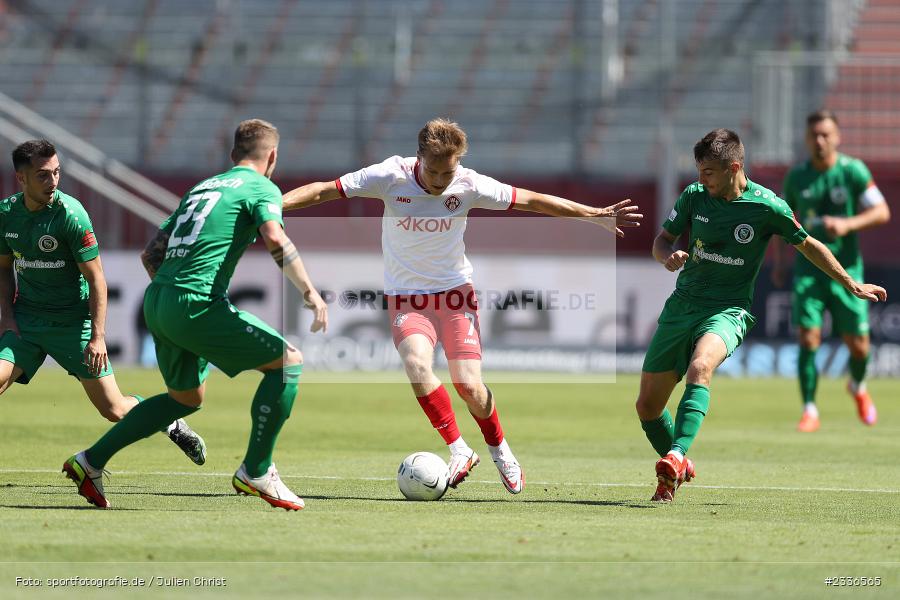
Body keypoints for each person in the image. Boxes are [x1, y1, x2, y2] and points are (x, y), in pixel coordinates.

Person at [281, 118, 642, 495]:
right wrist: (274, 207)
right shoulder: (389, 175)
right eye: (434, 171)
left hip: (455, 295)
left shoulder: (469, 184)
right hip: (406, 296)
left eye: (448, 171)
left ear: (459, 162)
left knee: (468, 385)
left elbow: (532, 200)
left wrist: (592, 215)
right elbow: (325, 190)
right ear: (418, 157)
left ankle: (499, 448)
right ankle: (459, 449)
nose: (440, 181)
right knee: (417, 365)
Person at [63, 119, 328, 510]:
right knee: (287, 363)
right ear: (272, 156)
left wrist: (174, 307)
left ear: (232, 154)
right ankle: (256, 471)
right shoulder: (261, 187)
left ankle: (90, 461)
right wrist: (310, 292)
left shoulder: (202, 188)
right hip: (196, 302)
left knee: (184, 398)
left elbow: (150, 253)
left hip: (158, 300)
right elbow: (275, 236)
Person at [637, 128, 886, 503]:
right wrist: (665, 256)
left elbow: (808, 246)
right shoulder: (694, 197)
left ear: (734, 167)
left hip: (728, 310)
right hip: (682, 306)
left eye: (708, 172)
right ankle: (680, 460)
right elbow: (662, 239)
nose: (700, 180)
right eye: (699, 171)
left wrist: (851, 282)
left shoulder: (768, 206)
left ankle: (674, 456)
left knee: (701, 366)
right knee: (647, 408)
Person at [1, 139, 205, 465]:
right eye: (42, 175)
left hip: (73, 324)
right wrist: (8, 319)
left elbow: (97, 280)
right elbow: (2, 271)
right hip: (27, 321)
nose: (53, 181)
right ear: (21, 178)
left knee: (114, 410)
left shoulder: (71, 215)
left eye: (56, 172)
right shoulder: (6, 215)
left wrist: (97, 336)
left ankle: (167, 419)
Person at [772, 110, 890, 432]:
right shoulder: (797, 178)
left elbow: (882, 211)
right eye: (814, 136)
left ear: (837, 137)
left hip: (848, 269)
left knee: (859, 346)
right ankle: (809, 409)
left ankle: (858, 386)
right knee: (808, 337)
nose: (820, 141)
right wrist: (780, 264)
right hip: (808, 271)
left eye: (826, 134)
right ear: (807, 139)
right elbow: (782, 222)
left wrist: (847, 224)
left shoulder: (852, 171)